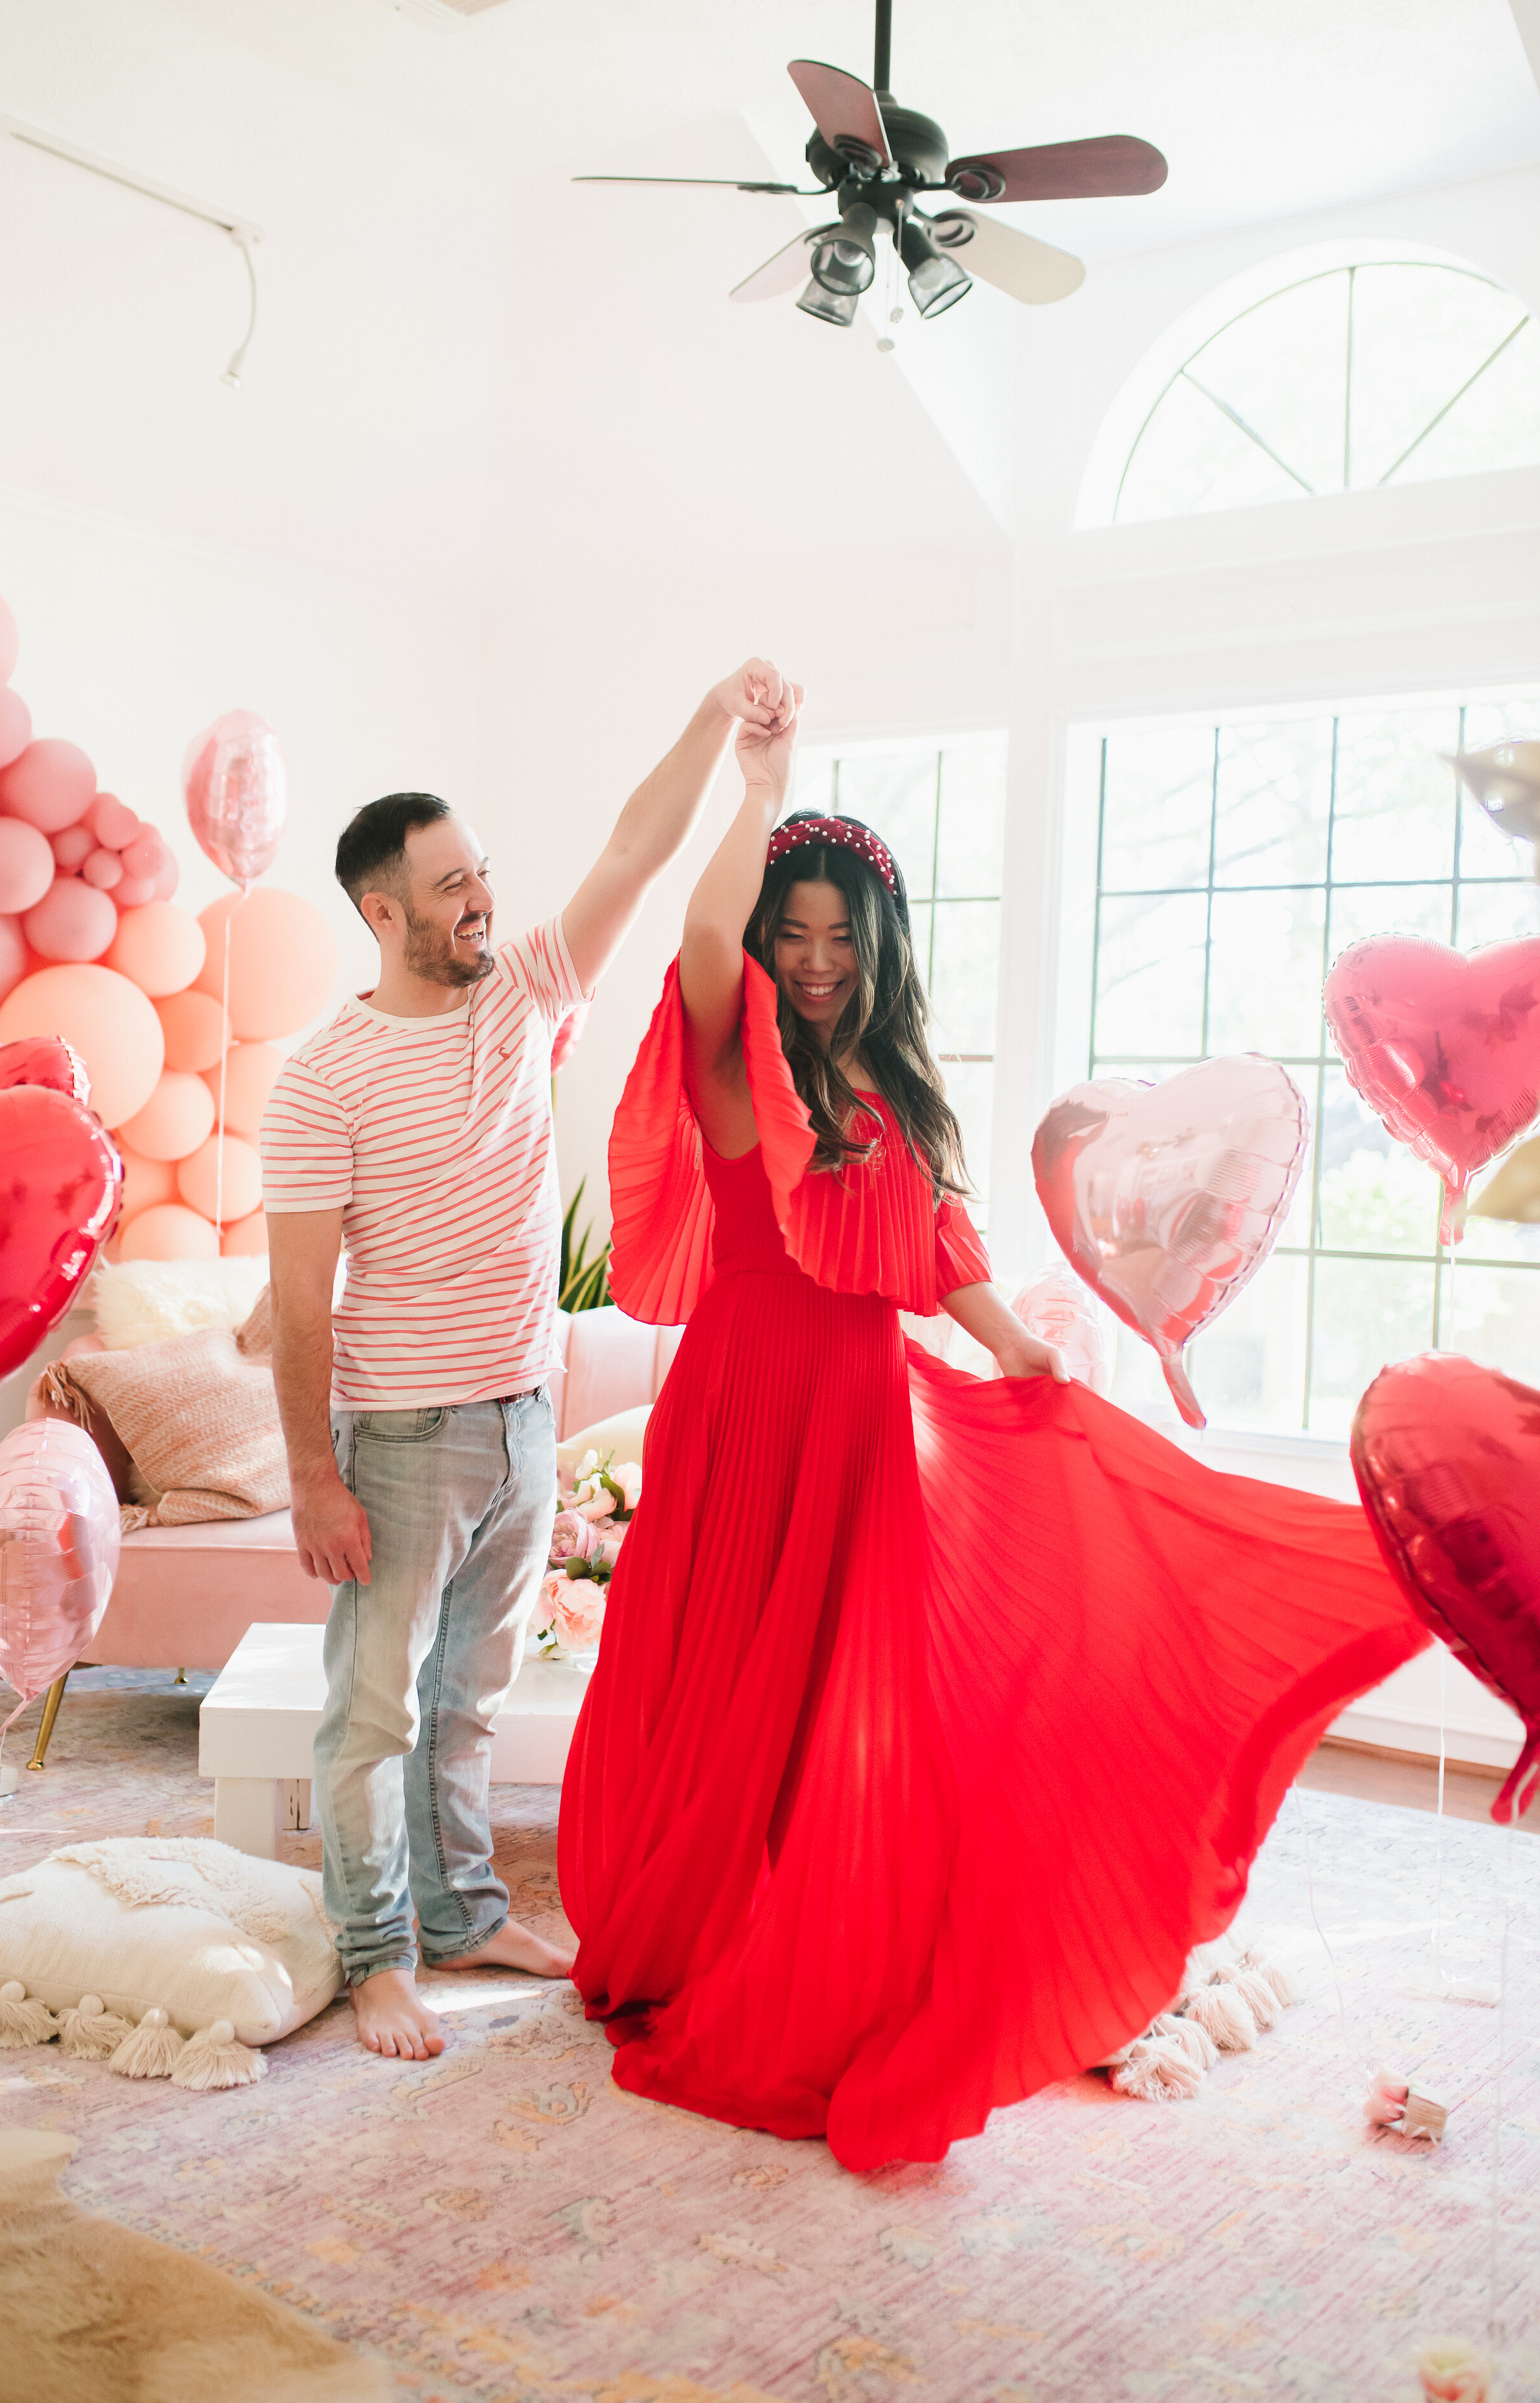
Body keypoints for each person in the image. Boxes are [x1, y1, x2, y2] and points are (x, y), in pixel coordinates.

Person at [558, 690, 1428, 2171]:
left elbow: (940, 1251)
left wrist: (1029, 1349)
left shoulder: (893, 1094)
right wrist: (756, 787)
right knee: (723, 1677)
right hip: (738, 1399)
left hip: (857, 1409)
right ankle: (698, 1931)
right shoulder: (729, 1055)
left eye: (841, 938)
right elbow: (702, 943)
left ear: (877, 950)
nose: (815, 962)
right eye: (796, 935)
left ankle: (809, 1923)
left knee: (850, 1694)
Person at [259, 659, 800, 2062]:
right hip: (398, 1430)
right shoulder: (321, 1077)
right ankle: (378, 1956)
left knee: (469, 1698)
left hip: (519, 1414)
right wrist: (313, 1479)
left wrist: (717, 726)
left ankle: (462, 1913)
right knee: (371, 1712)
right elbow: (301, 1300)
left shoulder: (522, 996)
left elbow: (635, 844)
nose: (478, 899)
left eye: (480, 872)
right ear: (380, 911)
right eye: (448, 885)